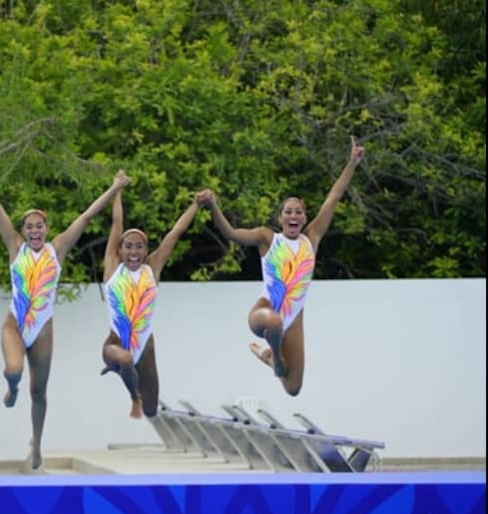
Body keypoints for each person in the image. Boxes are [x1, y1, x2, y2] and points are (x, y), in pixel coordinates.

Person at [0, 154, 128, 470]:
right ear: (23, 231)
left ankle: (37, 444)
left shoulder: (58, 249)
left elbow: (86, 216)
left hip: (43, 330)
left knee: (39, 391)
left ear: (46, 228)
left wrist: (115, 188)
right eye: (29, 227)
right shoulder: (15, 247)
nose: (34, 231)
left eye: (39, 226)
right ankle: (11, 388)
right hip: (15, 325)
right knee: (14, 371)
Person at [200, 136, 366, 396]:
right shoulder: (268, 238)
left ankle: (269, 358)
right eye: (288, 211)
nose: (293, 215)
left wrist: (352, 163)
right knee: (275, 322)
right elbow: (231, 233)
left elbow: (334, 196)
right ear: (280, 218)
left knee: (293, 387)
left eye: (298, 212)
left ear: (305, 218)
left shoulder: (311, 239)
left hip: (294, 319)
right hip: (264, 313)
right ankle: (276, 356)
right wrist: (213, 206)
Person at [100, 184, 206, 419]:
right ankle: (133, 396)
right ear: (120, 250)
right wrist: (117, 189)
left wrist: (195, 205)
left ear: (146, 250)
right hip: (115, 344)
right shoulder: (113, 267)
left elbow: (175, 233)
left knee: (151, 410)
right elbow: (117, 222)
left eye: (139, 247)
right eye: (128, 247)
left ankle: (127, 375)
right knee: (125, 359)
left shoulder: (151, 269)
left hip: (145, 346)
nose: (134, 252)